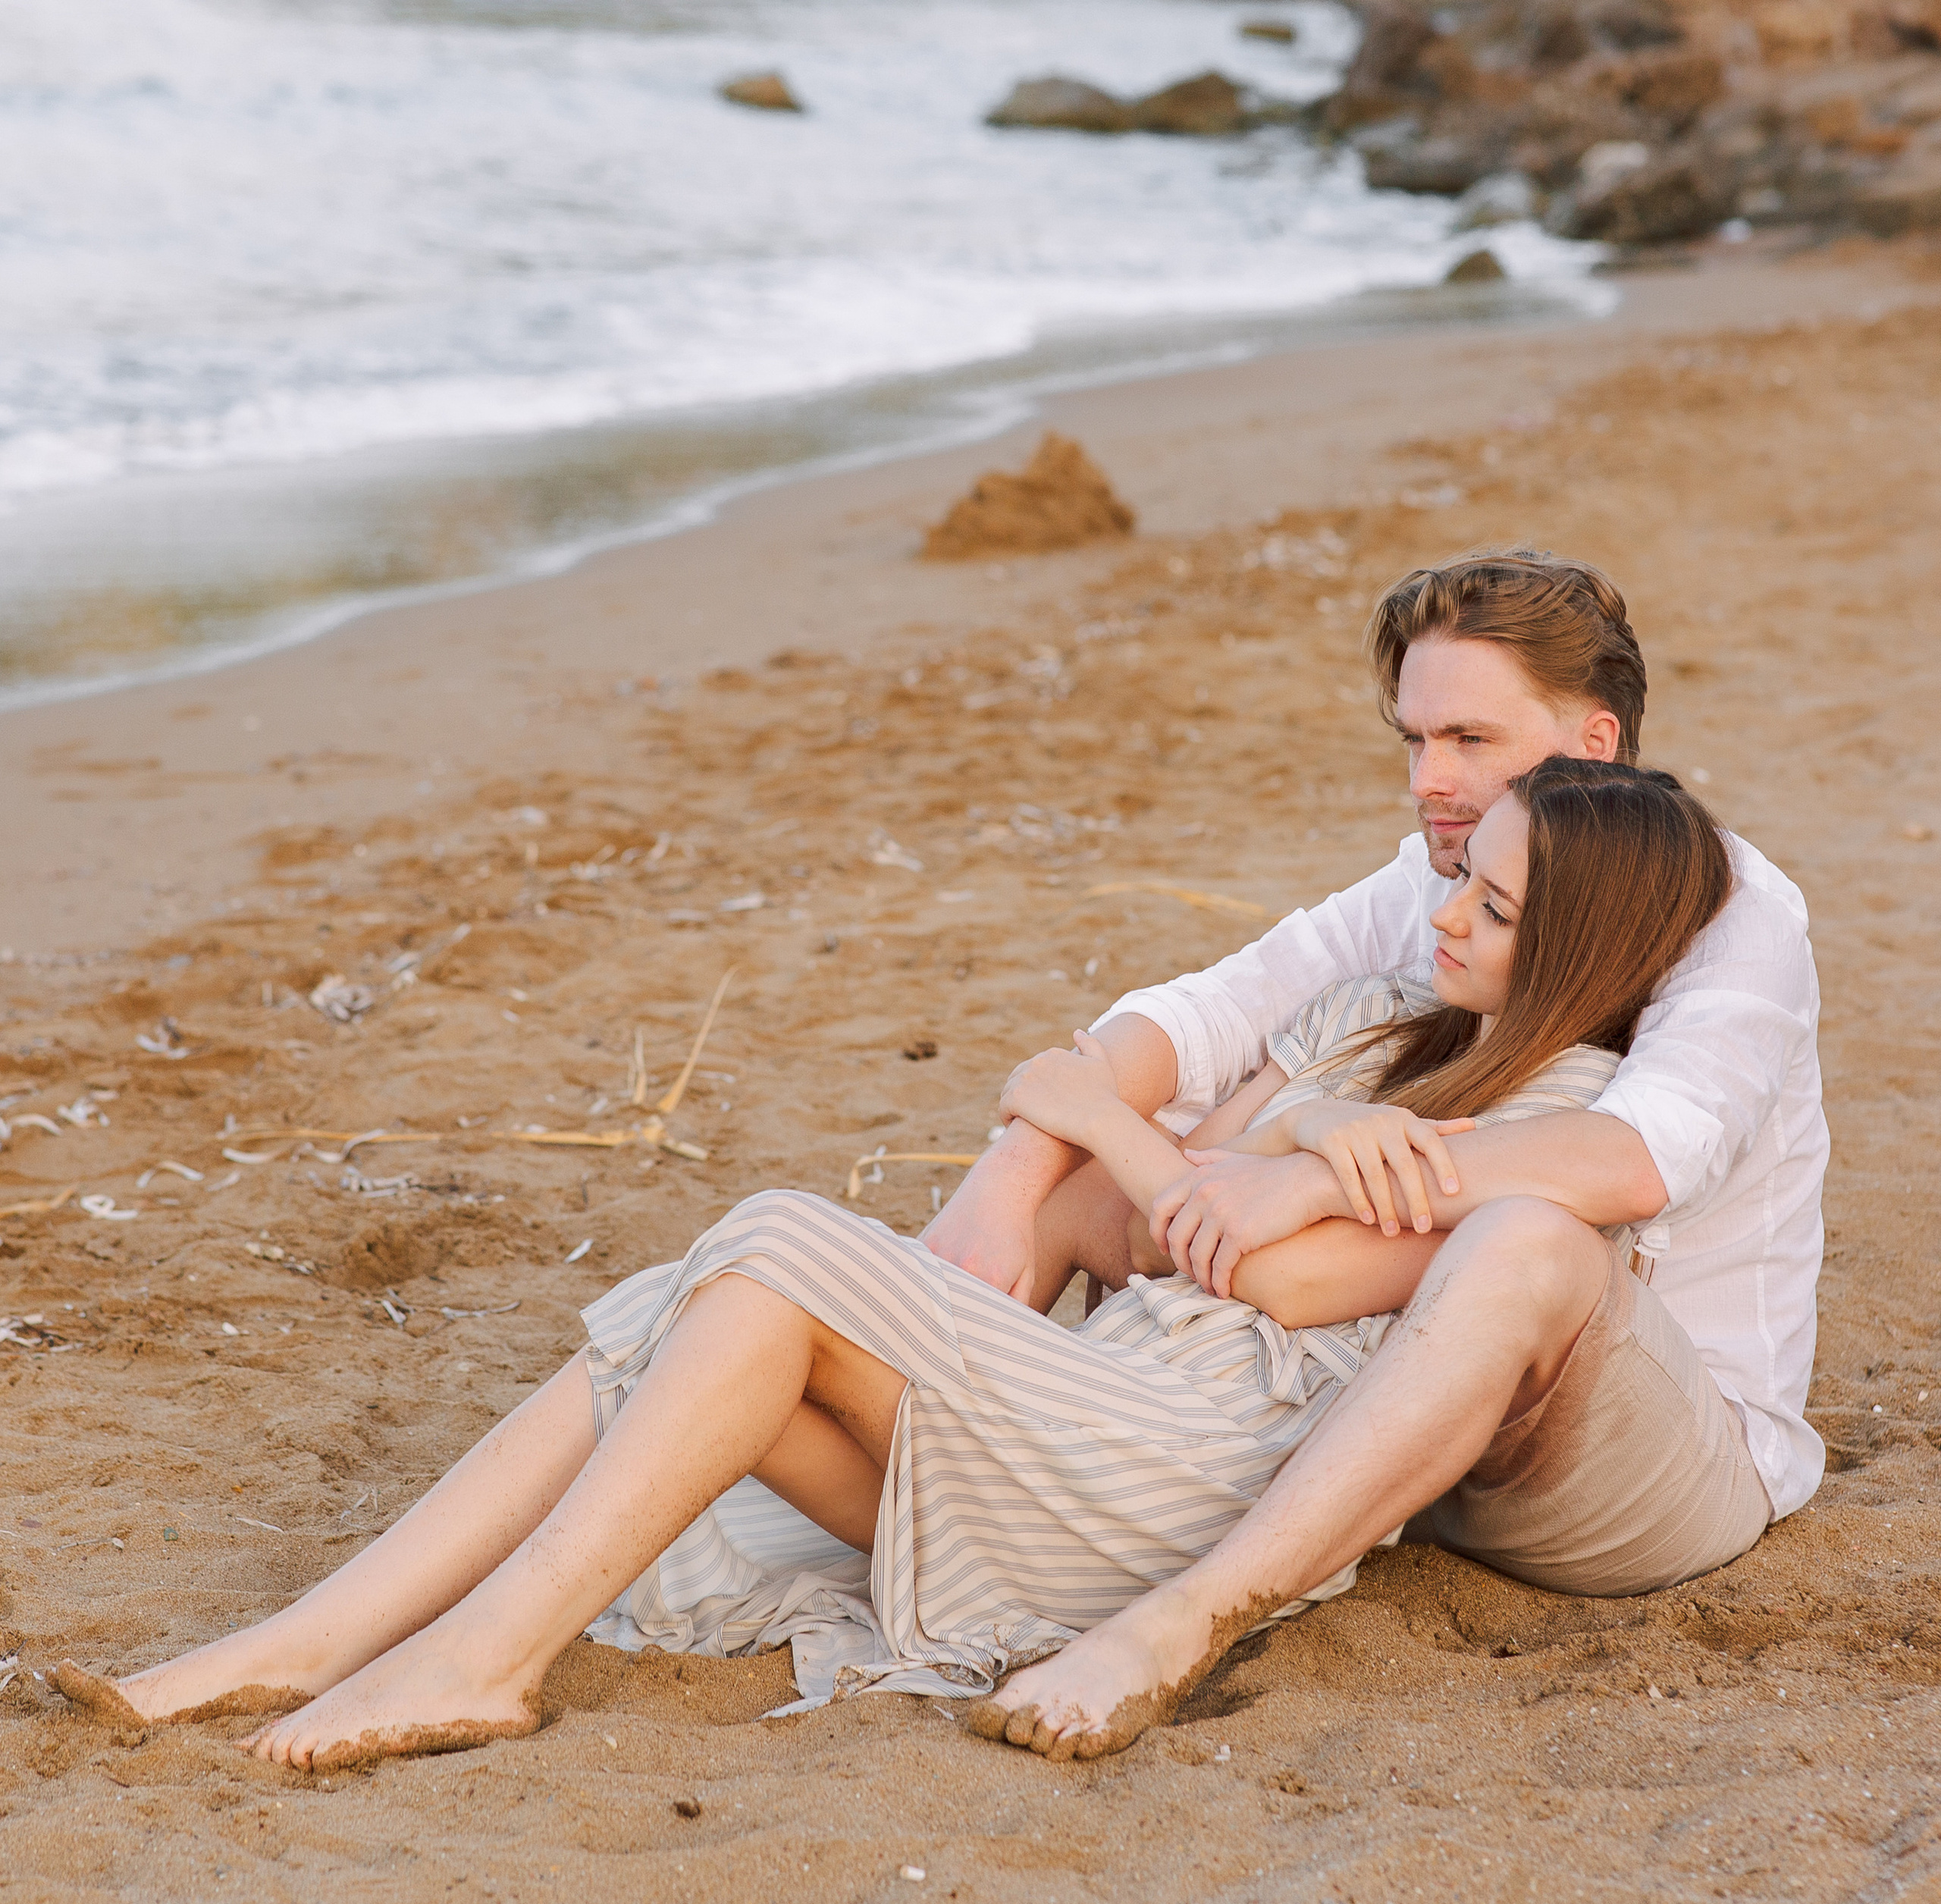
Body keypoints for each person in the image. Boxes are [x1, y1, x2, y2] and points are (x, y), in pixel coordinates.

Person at [54, 758, 1730, 1773]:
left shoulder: (1559, 1122)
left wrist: (1196, 1154)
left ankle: (467, 1653)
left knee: (780, 1234)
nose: (1447, 912)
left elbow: (1265, 1273)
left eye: (1498, 910)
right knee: (721, 1304)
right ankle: (309, 1636)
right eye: (1460, 875)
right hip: (1086, 1413)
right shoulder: (1384, 1028)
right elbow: (1119, 1159)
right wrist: (1249, 1158)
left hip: (1184, 1469)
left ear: (1582, 945)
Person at [936, 547, 1826, 1756]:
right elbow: (1212, 1011)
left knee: (1527, 1236)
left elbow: (1639, 1159)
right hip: (1419, 1421)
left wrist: (1306, 1170)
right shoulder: (1451, 871)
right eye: (1413, 740)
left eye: (1468, 738)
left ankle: (1181, 1624)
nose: (1429, 780)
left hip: (1646, 1452)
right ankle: (926, 1469)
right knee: (1099, 1175)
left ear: (1595, 748)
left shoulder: (1733, 913)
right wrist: (1017, 1174)